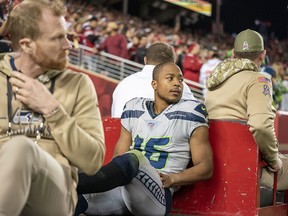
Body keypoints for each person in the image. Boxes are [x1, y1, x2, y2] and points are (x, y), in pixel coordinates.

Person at [0, 0, 105, 215]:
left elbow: (93, 161)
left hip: (53, 192)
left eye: (65, 35)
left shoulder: (78, 84)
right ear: (27, 45)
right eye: (58, 38)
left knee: (21, 148)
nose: (68, 45)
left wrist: (53, 110)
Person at [76, 62, 213, 216]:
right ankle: (71, 186)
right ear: (154, 84)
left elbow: (206, 167)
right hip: (124, 190)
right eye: (170, 78)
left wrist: (173, 178)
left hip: (158, 195)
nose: (177, 83)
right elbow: (118, 158)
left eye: (180, 80)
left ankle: (72, 183)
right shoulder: (134, 107)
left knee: (134, 157)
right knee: (74, 198)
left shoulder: (192, 111)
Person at [205, 29, 288, 191]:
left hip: (213, 160)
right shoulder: (258, 80)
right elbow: (260, 126)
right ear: (262, 55)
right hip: (244, 164)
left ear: (234, 53)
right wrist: (273, 159)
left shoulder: (215, 79)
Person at [111, 42, 196, 118]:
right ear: (173, 63)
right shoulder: (178, 86)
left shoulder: (123, 83)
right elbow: (195, 115)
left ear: (145, 60)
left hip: (117, 133)